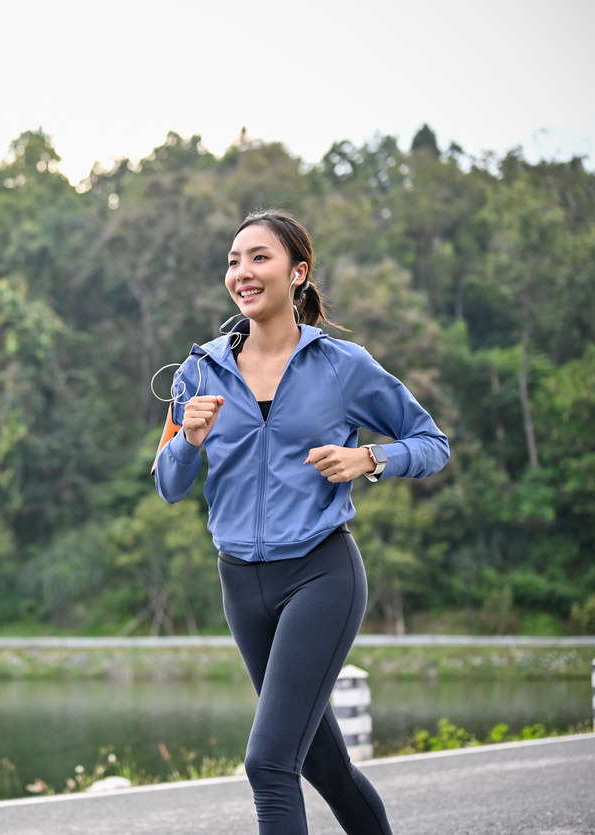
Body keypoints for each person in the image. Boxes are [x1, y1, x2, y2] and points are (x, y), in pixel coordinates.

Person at [153, 210, 449, 834]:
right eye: (234, 261)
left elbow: (432, 442)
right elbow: (169, 484)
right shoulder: (200, 370)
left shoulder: (342, 366)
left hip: (321, 574)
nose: (243, 273)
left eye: (260, 258)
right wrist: (189, 440)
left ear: (298, 272)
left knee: (268, 763)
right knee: (325, 768)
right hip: (241, 585)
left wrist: (371, 456)